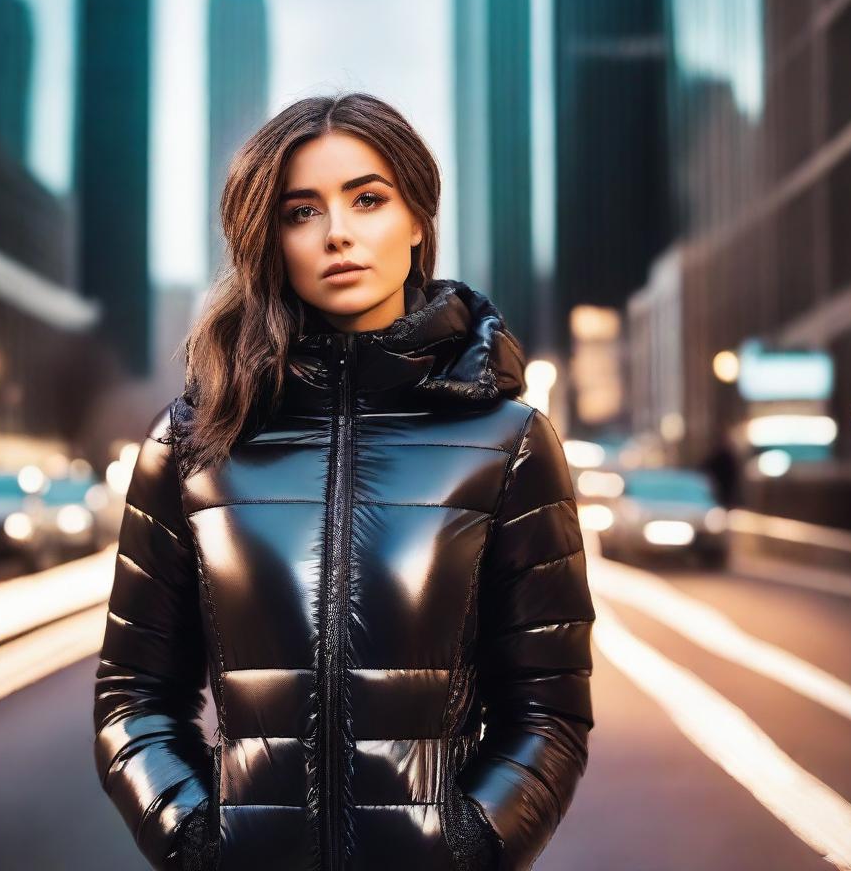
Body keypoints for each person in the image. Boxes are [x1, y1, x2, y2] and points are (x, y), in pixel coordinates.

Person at [93, 93, 596, 871]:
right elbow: (133, 699)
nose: (338, 233)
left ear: (418, 219)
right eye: (302, 211)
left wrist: (470, 847)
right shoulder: (193, 441)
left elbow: (549, 712)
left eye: (368, 199)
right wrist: (197, 843)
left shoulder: (511, 442)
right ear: (271, 238)